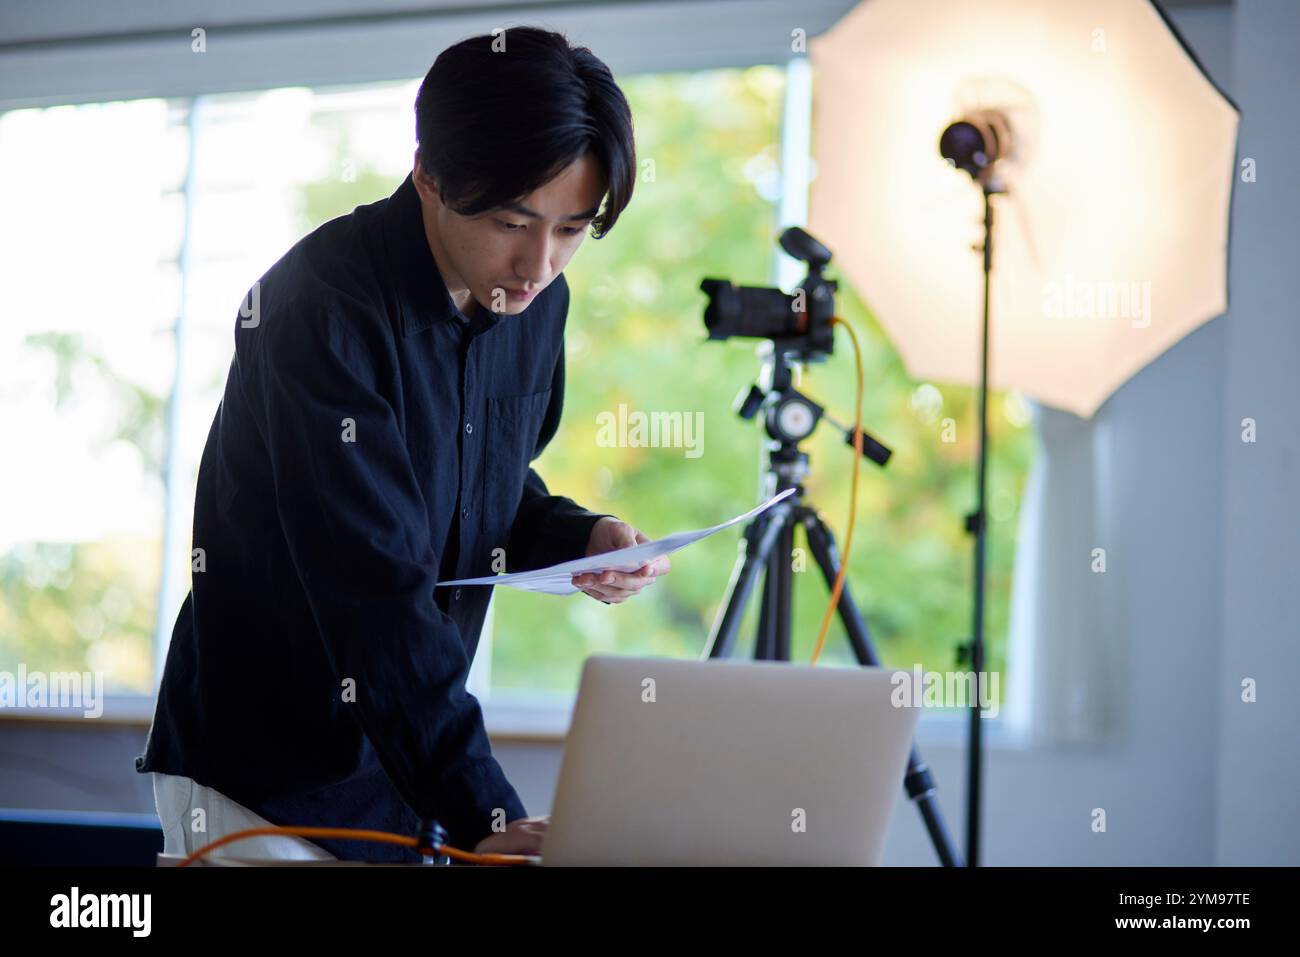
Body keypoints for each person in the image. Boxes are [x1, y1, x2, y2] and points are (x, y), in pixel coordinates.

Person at [136, 25, 670, 864]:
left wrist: (577, 537)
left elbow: (480, 484)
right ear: (428, 174)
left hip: (404, 772)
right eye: (511, 221)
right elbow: (371, 582)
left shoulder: (533, 306)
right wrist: (486, 809)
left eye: (572, 230)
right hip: (262, 776)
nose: (539, 264)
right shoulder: (315, 310)